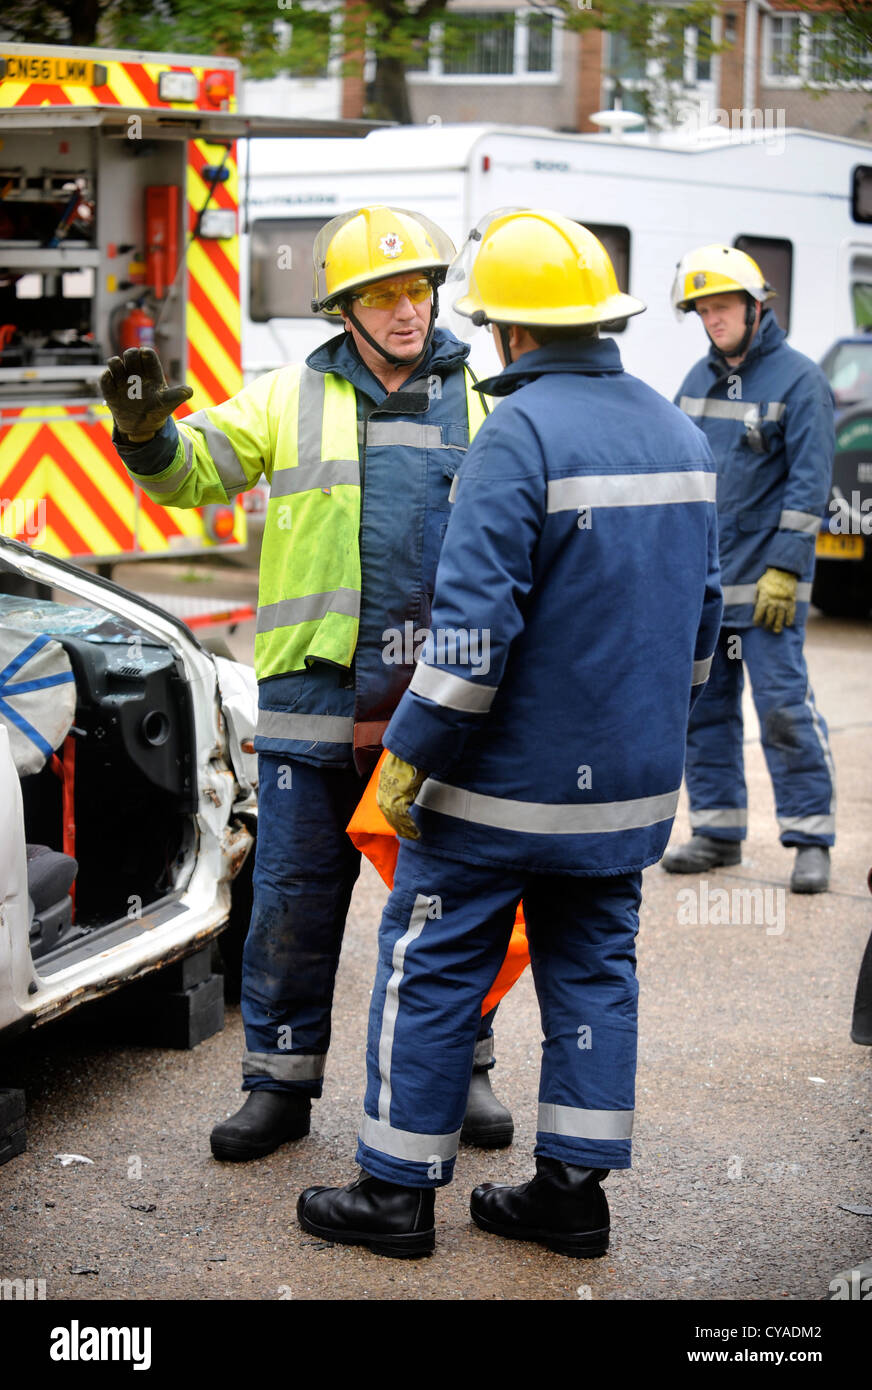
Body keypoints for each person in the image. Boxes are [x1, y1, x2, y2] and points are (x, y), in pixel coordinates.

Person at [296, 210, 723, 1259]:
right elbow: (700, 624)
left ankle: (394, 1193)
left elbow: (472, 638)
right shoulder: (676, 430)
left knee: (431, 959)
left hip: (494, 793)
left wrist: (411, 756)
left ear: (509, 335)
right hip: (626, 790)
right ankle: (570, 1195)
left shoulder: (514, 435)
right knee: (592, 969)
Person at [99, 205, 515, 1159]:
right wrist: (145, 435)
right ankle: (278, 1088)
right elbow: (194, 471)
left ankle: (468, 1069)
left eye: (419, 290)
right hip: (314, 708)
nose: (408, 311)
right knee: (291, 900)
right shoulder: (288, 394)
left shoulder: (491, 393)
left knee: (454, 904)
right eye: (383, 295)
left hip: (442, 708)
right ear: (345, 309)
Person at [662, 245, 835, 894]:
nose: (713, 319)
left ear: (757, 306)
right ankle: (718, 832)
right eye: (703, 309)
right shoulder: (695, 382)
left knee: (786, 710)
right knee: (704, 716)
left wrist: (787, 570)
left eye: (724, 306)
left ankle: (811, 836)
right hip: (706, 593)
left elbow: (810, 485)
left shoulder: (800, 381)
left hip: (768, 594)